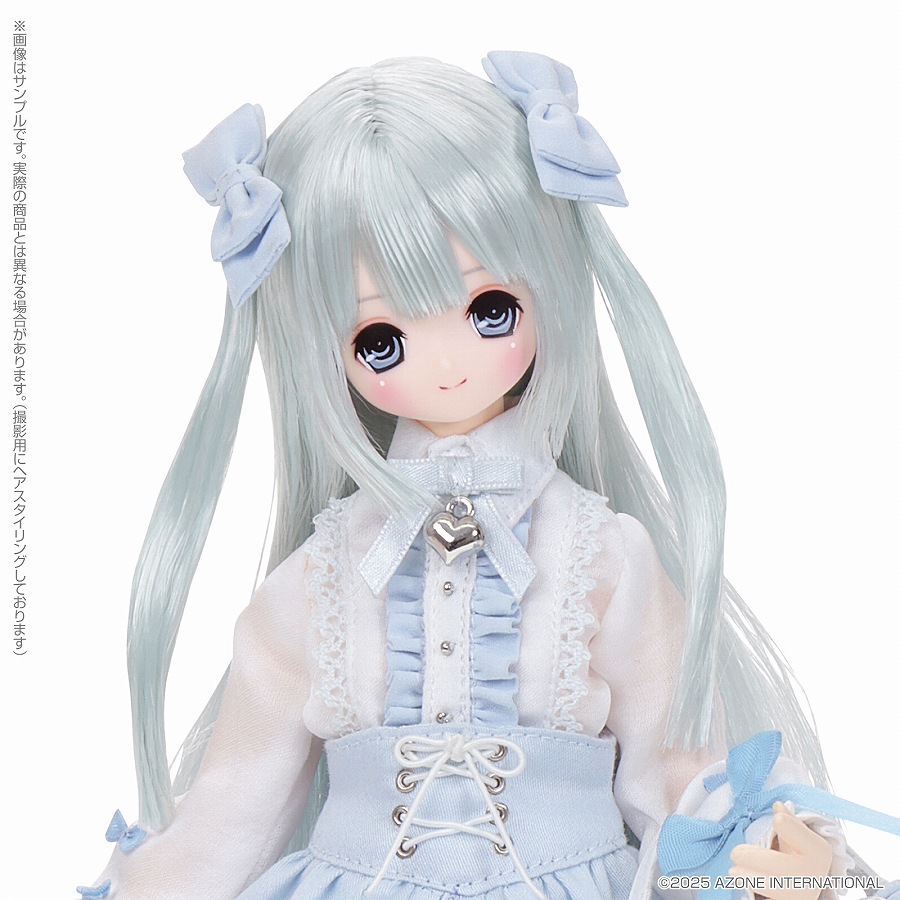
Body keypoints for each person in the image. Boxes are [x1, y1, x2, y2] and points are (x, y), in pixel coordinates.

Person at [78, 52, 861, 900]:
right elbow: (235, 810)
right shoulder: (320, 580)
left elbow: (678, 767)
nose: (448, 364)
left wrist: (757, 851)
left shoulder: (599, 553)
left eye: (490, 310)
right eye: (381, 341)